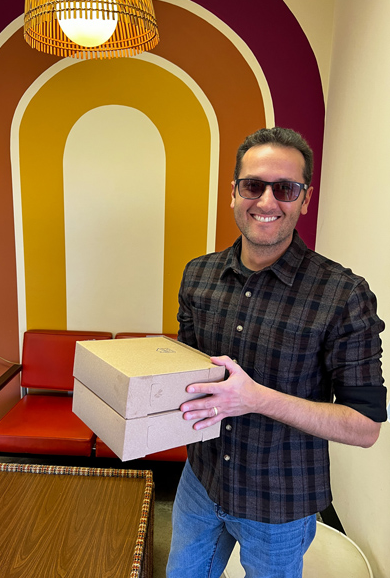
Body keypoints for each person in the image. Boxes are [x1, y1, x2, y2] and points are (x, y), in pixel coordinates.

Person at [166, 127, 387, 578]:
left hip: (281, 500)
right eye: (253, 186)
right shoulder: (198, 275)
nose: (267, 202)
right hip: (201, 481)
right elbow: (186, 366)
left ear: (304, 199)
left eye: (285, 188)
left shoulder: (343, 294)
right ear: (233, 193)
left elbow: (365, 426)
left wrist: (255, 398)